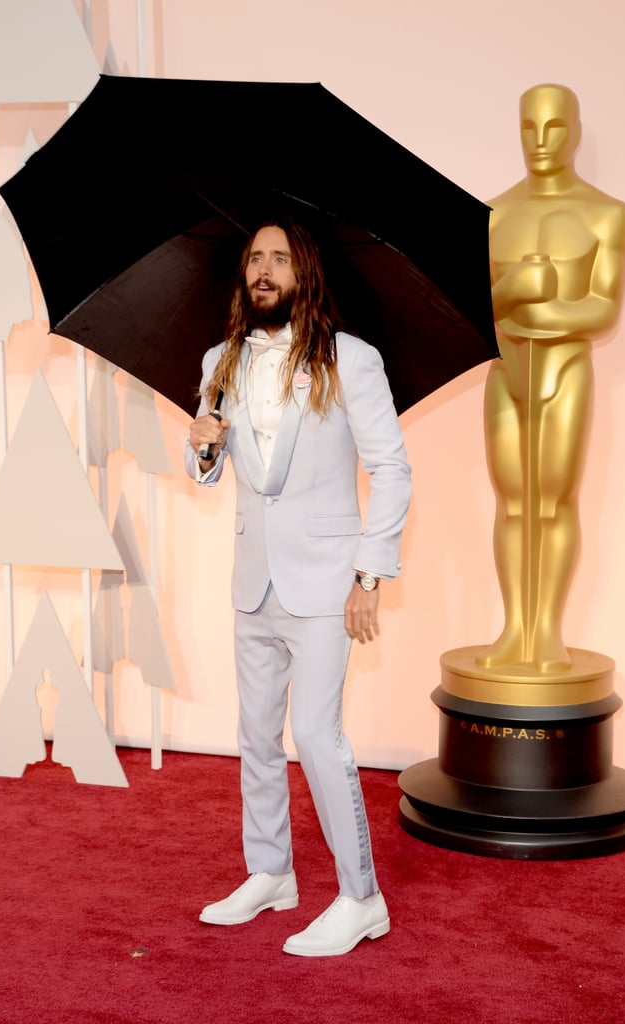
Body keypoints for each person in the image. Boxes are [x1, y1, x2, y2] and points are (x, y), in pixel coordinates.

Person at [186, 218, 412, 957]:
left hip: (325, 583)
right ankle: (270, 873)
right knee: (256, 735)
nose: (264, 270)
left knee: (317, 735)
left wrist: (368, 576)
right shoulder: (220, 361)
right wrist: (202, 450)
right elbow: (212, 471)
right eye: (256, 258)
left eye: (279, 259)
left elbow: (392, 471)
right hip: (253, 580)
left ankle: (361, 898)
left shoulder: (353, 362)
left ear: (303, 274)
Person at [480, 83, 625, 674]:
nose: (539, 141)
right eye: (528, 127)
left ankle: (546, 632)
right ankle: (514, 626)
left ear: (575, 131)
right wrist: (515, 288)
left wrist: (542, 312)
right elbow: (476, 307)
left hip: (565, 368)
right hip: (507, 370)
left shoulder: (605, 214)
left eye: (554, 127)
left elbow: (603, 309)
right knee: (512, 502)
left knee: (555, 500)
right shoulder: (493, 214)